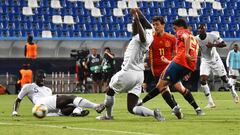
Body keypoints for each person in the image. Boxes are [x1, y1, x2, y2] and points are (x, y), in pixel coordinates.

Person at [96, 8, 164, 121]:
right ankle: (154, 113)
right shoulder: (150, 34)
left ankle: (108, 116)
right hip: (139, 75)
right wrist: (138, 13)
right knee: (131, 108)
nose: (133, 26)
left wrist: (136, 20)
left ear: (138, 27)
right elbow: (146, 23)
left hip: (128, 72)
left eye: (134, 25)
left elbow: (142, 37)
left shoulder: (142, 37)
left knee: (109, 91)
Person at [146, 19, 204, 119]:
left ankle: (195, 108)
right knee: (163, 89)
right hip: (159, 69)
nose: (155, 27)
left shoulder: (173, 37)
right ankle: (177, 108)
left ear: (163, 25)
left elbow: (178, 52)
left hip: (172, 67)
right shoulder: (151, 38)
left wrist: (181, 63)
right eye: (154, 25)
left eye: (157, 24)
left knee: (178, 88)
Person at [12, 70, 105, 117]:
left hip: (50, 110)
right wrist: (15, 111)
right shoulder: (28, 86)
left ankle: (76, 112)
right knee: (71, 98)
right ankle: (96, 106)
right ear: (35, 77)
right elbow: (18, 99)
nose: (42, 79)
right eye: (40, 77)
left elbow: (54, 103)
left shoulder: (48, 89)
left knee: (71, 105)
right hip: (40, 104)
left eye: (44, 77)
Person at [196, 24, 239, 108]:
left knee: (225, 79)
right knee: (203, 80)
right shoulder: (196, 39)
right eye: (199, 29)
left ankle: (233, 92)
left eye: (202, 29)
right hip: (205, 60)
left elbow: (224, 44)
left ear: (205, 30)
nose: (201, 30)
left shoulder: (212, 36)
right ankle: (210, 102)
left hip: (215, 60)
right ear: (198, 30)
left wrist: (212, 45)